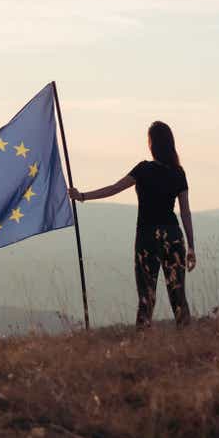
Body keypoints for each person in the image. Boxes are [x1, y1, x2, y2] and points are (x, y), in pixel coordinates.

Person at [68, 121, 196, 329]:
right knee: (178, 295)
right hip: (173, 237)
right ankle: (187, 341)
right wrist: (191, 246)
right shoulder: (178, 173)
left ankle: (142, 340)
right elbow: (185, 212)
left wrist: (82, 196)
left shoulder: (144, 169)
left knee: (146, 297)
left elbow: (114, 188)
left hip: (146, 238)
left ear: (152, 144)